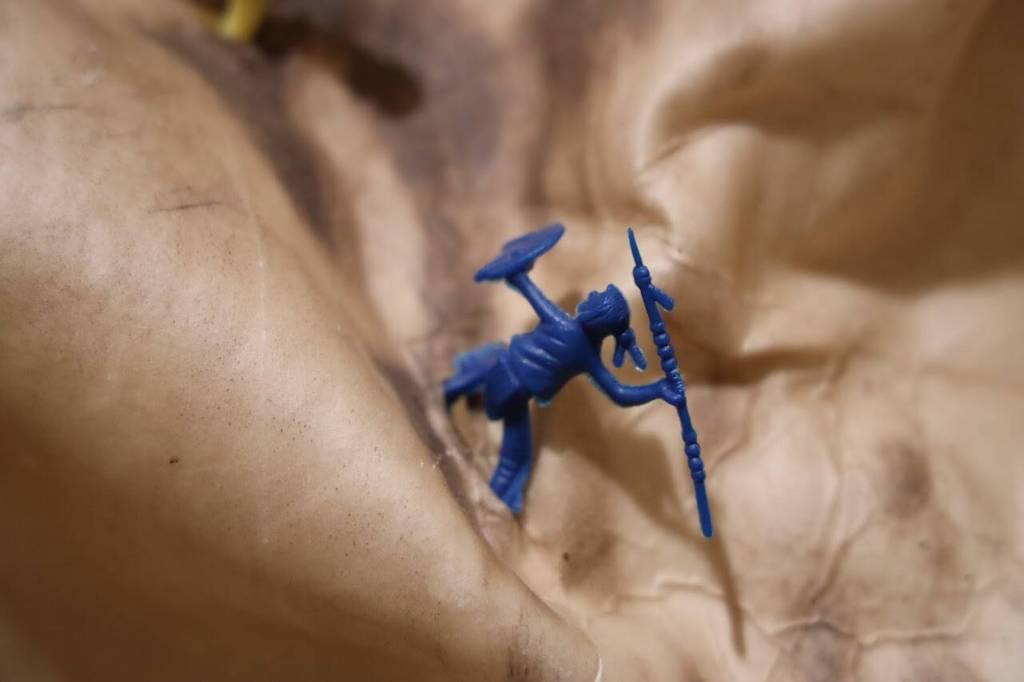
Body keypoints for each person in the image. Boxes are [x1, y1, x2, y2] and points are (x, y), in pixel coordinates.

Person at [444, 270, 683, 513]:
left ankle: (454, 388)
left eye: (598, 297)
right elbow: (619, 393)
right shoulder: (587, 357)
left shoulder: (562, 323)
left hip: (507, 380)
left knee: (491, 359)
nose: (592, 293)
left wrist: (518, 274)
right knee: (515, 459)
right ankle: (498, 497)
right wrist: (657, 389)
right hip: (512, 389)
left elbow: (529, 290)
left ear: (598, 313)